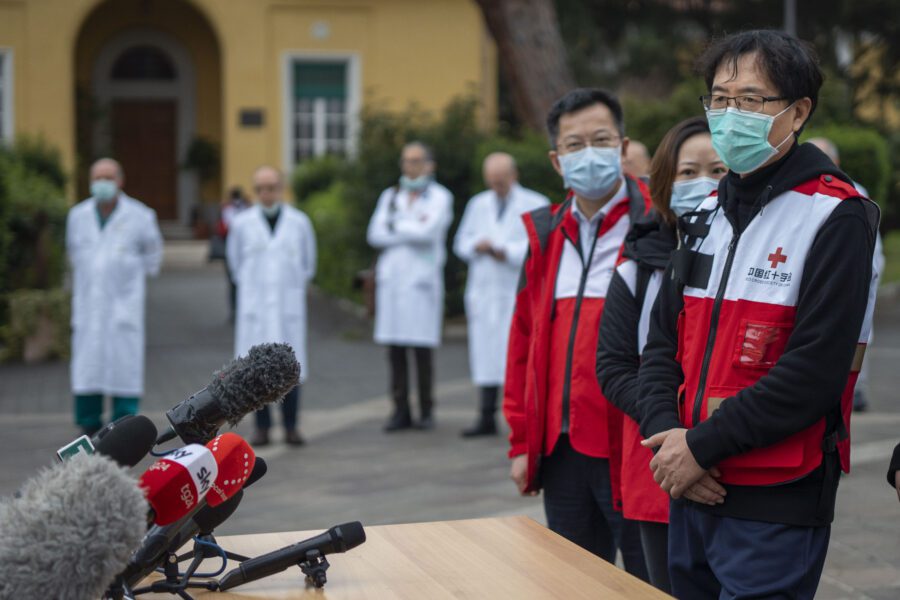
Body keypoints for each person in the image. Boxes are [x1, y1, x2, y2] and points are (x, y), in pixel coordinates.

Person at [637, 30, 879, 598]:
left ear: (797, 112)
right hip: (689, 480)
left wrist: (701, 447)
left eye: (750, 100)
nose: (729, 115)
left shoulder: (835, 215)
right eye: (719, 99)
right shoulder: (702, 214)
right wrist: (668, 439)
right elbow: (659, 348)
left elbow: (815, 371)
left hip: (776, 491)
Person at [503, 88, 651, 577]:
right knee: (571, 581)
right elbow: (523, 343)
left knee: (648, 581)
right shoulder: (545, 233)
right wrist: (523, 441)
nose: (588, 153)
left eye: (601, 139)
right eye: (574, 144)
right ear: (556, 159)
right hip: (561, 449)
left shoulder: (658, 223)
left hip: (635, 446)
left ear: (623, 147)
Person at [597, 117, 726, 593]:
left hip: (735, 460)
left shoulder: (762, 262)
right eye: (687, 173)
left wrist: (710, 440)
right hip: (658, 461)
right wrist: (672, 435)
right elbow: (613, 366)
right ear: (665, 187)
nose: (703, 184)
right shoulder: (636, 267)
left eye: (718, 170)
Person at [453, 152, 549, 438]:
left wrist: (503, 250)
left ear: (513, 175)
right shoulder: (477, 204)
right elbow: (460, 242)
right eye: (492, 182)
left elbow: (539, 246)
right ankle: (485, 415)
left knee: (519, 355)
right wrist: (476, 246)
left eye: (501, 181)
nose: (497, 186)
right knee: (485, 355)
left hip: (515, 290)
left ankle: (523, 418)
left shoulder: (536, 203)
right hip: (484, 290)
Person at [66, 158, 163, 435]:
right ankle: (87, 428)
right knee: (88, 370)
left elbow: (152, 258)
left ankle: (122, 432)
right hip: (88, 309)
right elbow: (73, 255)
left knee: (123, 370)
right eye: (97, 178)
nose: (102, 184)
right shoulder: (77, 216)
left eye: (108, 178)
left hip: (124, 311)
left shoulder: (141, 216)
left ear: (120, 181)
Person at [367, 142, 453, 432]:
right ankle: (400, 409)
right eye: (406, 161)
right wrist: (407, 226)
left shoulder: (441, 197)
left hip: (421, 284)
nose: (410, 167)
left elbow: (427, 234)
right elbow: (375, 235)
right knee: (396, 352)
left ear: (430, 165)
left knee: (422, 351)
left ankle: (426, 409)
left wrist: (396, 226)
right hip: (393, 284)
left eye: (416, 161)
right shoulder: (390, 196)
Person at [227, 166, 316, 447]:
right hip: (256, 309)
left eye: (272, 187)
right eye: (261, 188)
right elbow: (235, 263)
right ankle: (262, 428)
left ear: (281, 188)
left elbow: (307, 264)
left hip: (287, 307)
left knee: (291, 367)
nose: (267, 193)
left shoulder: (299, 222)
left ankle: (291, 427)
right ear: (255, 191)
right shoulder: (242, 223)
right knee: (257, 372)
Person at [808, 136, 885, 412]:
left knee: (855, 334)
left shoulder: (854, 195)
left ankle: (856, 389)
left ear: (837, 162)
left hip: (852, 272)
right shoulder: (800, 192)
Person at [218, 186, 251, 322]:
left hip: (246, 249)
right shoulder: (229, 209)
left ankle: (242, 310)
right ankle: (235, 310)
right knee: (233, 282)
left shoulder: (244, 208)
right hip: (233, 247)